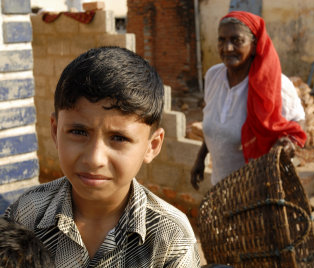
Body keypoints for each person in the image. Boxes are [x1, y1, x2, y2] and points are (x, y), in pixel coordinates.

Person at [4, 47, 200, 267]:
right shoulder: (27, 213)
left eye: (118, 138)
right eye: (78, 132)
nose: (94, 159)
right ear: (55, 131)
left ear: (152, 146)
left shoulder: (171, 238)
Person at [191, 11, 307, 189]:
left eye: (236, 40)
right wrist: (201, 158)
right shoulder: (214, 76)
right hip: (221, 187)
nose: (227, 48)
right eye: (221, 40)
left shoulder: (274, 84)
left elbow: (298, 122)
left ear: (254, 45)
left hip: (259, 192)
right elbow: (213, 122)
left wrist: (289, 144)